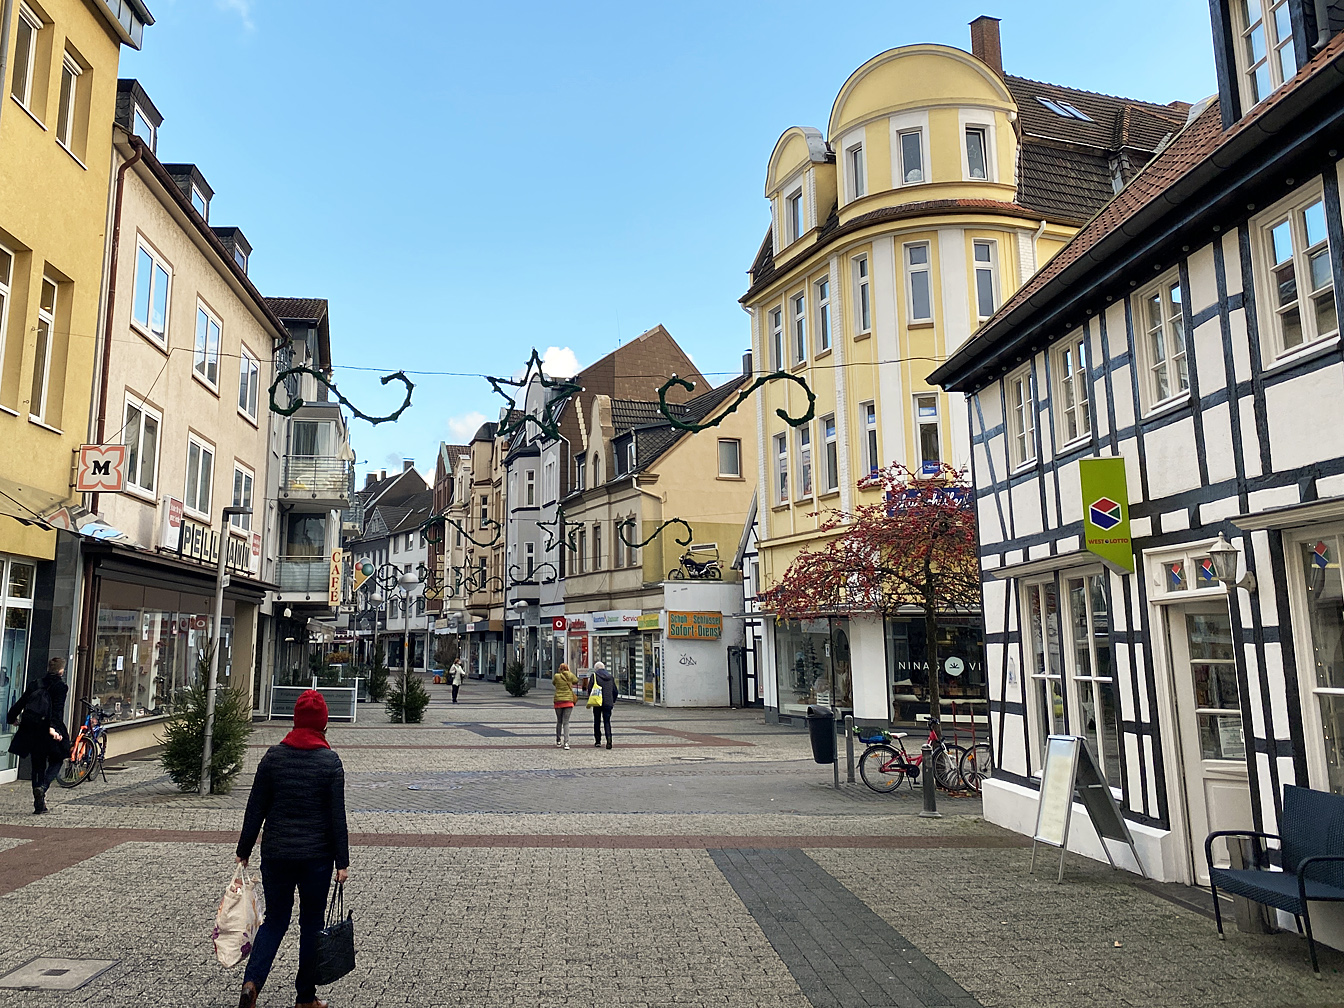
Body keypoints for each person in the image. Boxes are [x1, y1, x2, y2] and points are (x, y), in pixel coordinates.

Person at [235, 689, 350, 1008]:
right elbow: (336, 817)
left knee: (275, 920)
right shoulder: (330, 762)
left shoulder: (273, 757)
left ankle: (252, 983)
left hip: (277, 855)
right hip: (316, 858)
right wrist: (343, 862)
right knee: (311, 924)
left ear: (296, 721)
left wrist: (243, 849)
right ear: (324, 723)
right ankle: (305, 998)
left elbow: (255, 807)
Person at [7, 657, 70, 814]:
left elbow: (20, 703)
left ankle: (39, 802)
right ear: (61, 671)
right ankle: (43, 787)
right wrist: (53, 729)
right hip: (48, 729)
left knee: (37, 764)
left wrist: (11, 718)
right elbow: (57, 710)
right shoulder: (60, 687)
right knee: (58, 759)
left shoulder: (35, 683)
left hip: (32, 728)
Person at [552, 662, 579, 750]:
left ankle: (558, 740)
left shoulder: (557, 676)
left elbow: (554, 683)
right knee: (566, 722)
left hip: (558, 701)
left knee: (559, 721)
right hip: (568, 701)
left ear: (560, 669)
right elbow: (576, 680)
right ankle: (566, 743)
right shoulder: (570, 676)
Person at [591, 660, 616, 749]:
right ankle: (609, 739)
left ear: (596, 669)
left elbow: (590, 689)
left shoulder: (594, 676)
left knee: (597, 721)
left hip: (597, 702)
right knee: (607, 721)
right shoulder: (610, 677)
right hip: (608, 702)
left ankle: (598, 741)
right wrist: (613, 700)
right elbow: (615, 690)